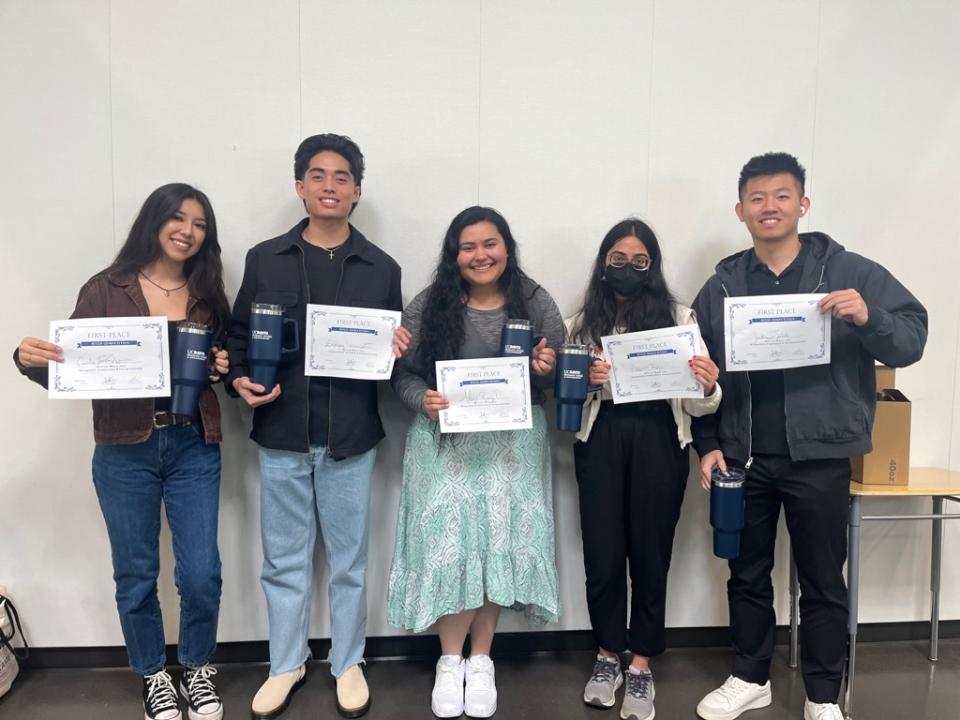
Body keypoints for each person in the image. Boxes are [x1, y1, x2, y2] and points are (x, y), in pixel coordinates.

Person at [692, 153, 928, 720]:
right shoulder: (723, 284)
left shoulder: (848, 271)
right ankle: (750, 677)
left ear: (803, 204)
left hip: (820, 455)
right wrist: (708, 443)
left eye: (780, 196)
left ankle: (823, 696)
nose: (768, 207)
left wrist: (868, 316)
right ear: (740, 211)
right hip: (742, 459)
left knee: (823, 580)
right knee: (745, 573)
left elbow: (912, 340)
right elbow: (696, 368)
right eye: (756, 199)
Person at [15, 183, 231, 720]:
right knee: (135, 574)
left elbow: (220, 363)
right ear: (154, 222)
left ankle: (198, 669)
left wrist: (223, 369)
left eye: (200, 224)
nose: (188, 231)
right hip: (123, 449)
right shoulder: (106, 288)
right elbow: (69, 365)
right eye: (178, 219)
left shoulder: (207, 290)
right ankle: (155, 676)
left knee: (201, 573)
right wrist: (28, 360)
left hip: (192, 444)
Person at [225, 133, 410, 719]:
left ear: (357, 190)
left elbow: (394, 360)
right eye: (318, 176)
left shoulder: (382, 267)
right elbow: (237, 337)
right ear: (300, 186)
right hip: (280, 429)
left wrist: (397, 348)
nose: (329, 186)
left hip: (351, 435)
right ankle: (286, 663)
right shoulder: (265, 258)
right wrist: (239, 382)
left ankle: (347, 661)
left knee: (350, 559)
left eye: (341, 177)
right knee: (283, 559)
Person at [387, 206, 563, 719]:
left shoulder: (534, 300)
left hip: (513, 447)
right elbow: (401, 374)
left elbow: (557, 372)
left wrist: (546, 370)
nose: (480, 255)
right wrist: (422, 400)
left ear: (507, 248)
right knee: (453, 549)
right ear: (453, 255)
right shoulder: (429, 304)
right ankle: (449, 662)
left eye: (490, 244)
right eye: (468, 247)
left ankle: (481, 661)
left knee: (493, 547)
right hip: (445, 447)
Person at [565, 218, 721, 720]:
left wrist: (707, 384)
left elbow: (701, 407)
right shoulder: (580, 322)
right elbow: (562, 404)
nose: (627, 268)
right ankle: (607, 654)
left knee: (651, 554)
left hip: (660, 439)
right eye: (617, 259)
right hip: (602, 439)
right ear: (602, 262)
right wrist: (586, 381)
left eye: (639, 261)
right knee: (604, 553)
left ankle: (641, 664)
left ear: (652, 266)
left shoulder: (680, 318)